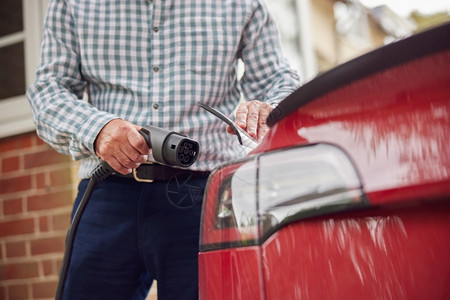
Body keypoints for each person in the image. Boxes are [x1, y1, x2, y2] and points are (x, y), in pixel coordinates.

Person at [26, 0, 300, 299]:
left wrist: (268, 110)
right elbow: (49, 91)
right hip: (106, 191)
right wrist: (98, 130)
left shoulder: (241, 4)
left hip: (205, 197)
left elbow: (278, 79)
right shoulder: (73, 4)